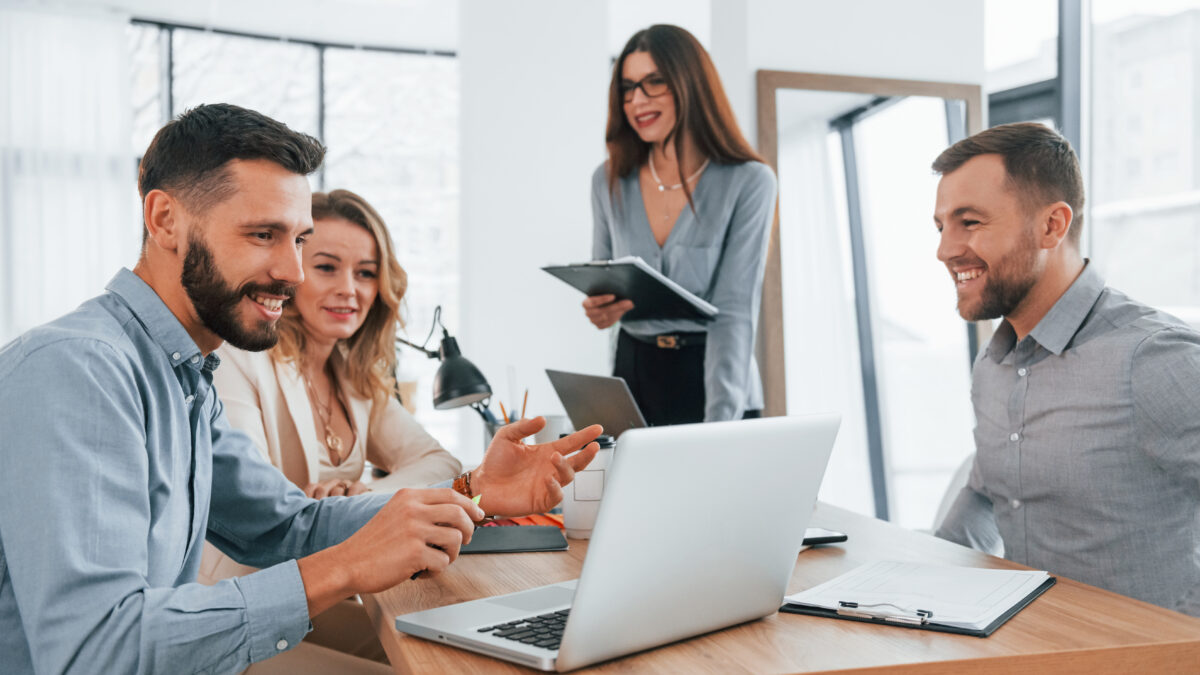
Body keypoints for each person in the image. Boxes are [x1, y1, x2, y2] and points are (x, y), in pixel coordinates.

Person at [0, 103, 601, 674]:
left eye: (296, 238)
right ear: (165, 220)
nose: (291, 271)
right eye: (263, 235)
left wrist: (470, 490)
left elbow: (289, 525)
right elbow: (94, 654)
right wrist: (344, 568)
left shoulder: (184, 376)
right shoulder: (78, 370)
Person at [931, 122, 1200, 616]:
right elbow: (988, 493)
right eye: (941, 225)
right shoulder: (993, 365)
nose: (945, 249)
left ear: (1052, 226)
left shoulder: (1154, 358)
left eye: (969, 222)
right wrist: (918, 581)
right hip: (1033, 646)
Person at [198, 188, 465, 663]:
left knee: (451, 641)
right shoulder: (239, 359)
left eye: (365, 273)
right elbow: (260, 509)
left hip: (320, 596)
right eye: (327, 267)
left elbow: (438, 460)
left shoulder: (354, 373)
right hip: (243, 606)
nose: (350, 288)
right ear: (291, 270)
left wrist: (364, 495)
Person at [584, 24, 777, 425]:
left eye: (654, 83)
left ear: (690, 83)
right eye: (628, 87)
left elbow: (735, 311)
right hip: (635, 368)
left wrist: (720, 422)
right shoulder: (608, 180)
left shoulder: (748, 181)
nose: (637, 100)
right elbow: (603, 281)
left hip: (712, 371)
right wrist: (603, 310)